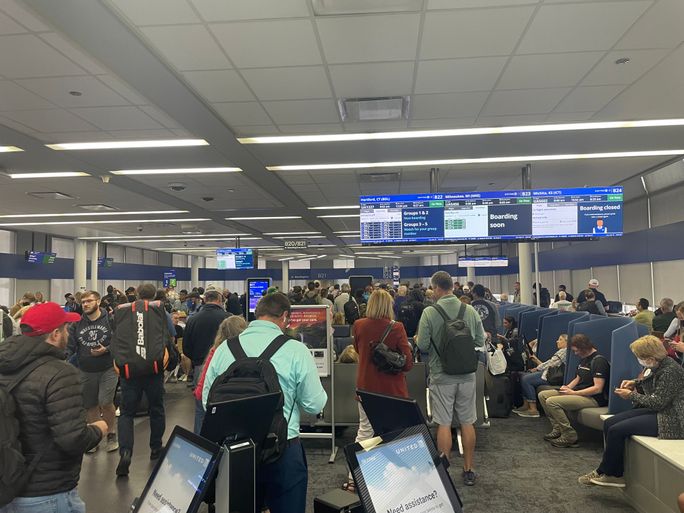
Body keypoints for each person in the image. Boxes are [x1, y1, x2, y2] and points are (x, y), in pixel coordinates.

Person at [202, 293, 327, 513]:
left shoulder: (224, 349)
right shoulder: (296, 350)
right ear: (285, 317)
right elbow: (314, 405)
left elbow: (207, 402)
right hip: (282, 449)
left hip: (235, 452)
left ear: (256, 314)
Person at [0, 302, 107, 513]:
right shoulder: (61, 373)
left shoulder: (4, 366)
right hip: (47, 494)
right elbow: (72, 439)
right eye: (66, 328)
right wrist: (98, 429)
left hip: (8, 487)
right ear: (56, 334)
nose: (68, 333)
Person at [579, 335, 684, 487]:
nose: (638, 359)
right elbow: (653, 383)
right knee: (609, 423)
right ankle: (608, 470)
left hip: (672, 418)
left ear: (650, 356)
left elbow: (658, 402)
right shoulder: (661, 364)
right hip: (663, 410)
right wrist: (635, 383)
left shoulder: (671, 371)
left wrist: (631, 395)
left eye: (639, 356)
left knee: (616, 430)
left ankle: (611, 474)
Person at [415, 271, 485, 486]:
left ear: (437, 288)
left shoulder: (430, 312)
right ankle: (469, 469)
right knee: (467, 421)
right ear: (452, 288)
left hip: (441, 374)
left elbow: (423, 346)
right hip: (467, 374)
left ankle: (443, 473)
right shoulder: (470, 310)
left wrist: (418, 338)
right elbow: (480, 340)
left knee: (443, 423)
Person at [343, 289, 414, 491]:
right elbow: (407, 363)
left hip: (366, 389)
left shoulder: (359, 325)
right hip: (393, 391)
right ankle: (396, 478)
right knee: (394, 433)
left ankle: (353, 479)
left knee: (364, 432)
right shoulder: (397, 327)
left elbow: (358, 350)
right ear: (389, 306)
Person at [116, 283, 177, 477]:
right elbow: (170, 336)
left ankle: (125, 452)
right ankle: (156, 448)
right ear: (155, 295)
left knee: (126, 413)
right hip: (154, 370)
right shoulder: (161, 311)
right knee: (156, 408)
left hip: (129, 371)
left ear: (137, 294)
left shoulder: (123, 312)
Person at [66, 291, 118, 453]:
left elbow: (120, 342)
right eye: (83, 302)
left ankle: (111, 433)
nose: (86, 304)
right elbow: (70, 347)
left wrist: (106, 350)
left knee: (105, 401)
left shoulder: (110, 320)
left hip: (108, 368)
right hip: (86, 370)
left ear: (98, 301)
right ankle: (95, 436)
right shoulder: (77, 325)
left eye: (89, 301)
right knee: (90, 405)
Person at [538, 334, 610, 447]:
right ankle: (558, 428)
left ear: (584, 348)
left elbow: (598, 388)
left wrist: (573, 393)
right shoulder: (584, 359)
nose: (575, 354)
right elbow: (578, 378)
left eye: (576, 351)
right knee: (543, 395)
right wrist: (568, 387)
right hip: (578, 393)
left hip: (593, 398)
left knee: (552, 402)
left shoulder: (599, 361)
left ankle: (569, 435)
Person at [182, 290, 230, 434]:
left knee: (200, 409)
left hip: (200, 368)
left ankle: (200, 445)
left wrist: (197, 361)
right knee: (225, 407)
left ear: (205, 300)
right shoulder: (227, 318)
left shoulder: (193, 319)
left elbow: (186, 348)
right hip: (225, 368)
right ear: (219, 300)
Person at [193, 316, 248, 404]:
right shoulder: (248, 350)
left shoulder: (217, 350)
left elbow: (206, 375)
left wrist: (200, 392)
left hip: (217, 398)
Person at [513, 334, 568, 418]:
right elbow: (548, 364)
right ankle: (526, 405)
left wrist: (537, 368)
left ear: (567, 342)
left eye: (560, 340)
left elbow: (550, 364)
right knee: (523, 375)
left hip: (551, 376)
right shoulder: (562, 351)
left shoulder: (564, 351)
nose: (557, 341)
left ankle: (533, 409)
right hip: (547, 373)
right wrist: (535, 361)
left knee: (526, 379)